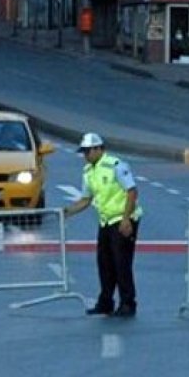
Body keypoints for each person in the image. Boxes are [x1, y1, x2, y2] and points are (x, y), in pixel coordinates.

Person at [63, 132, 142, 318]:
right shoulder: (88, 171)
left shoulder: (115, 165)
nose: (85, 155)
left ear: (99, 149)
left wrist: (126, 219)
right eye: (83, 152)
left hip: (123, 219)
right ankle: (106, 303)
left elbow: (131, 191)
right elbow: (85, 199)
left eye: (88, 151)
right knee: (104, 263)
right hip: (106, 221)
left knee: (122, 263)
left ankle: (128, 303)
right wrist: (66, 212)